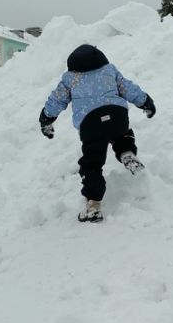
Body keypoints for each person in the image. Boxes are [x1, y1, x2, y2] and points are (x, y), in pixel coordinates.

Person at [39, 44, 156, 222]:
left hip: (90, 123)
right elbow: (128, 89)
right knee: (122, 135)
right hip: (117, 115)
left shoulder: (70, 78)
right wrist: (146, 102)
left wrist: (46, 119)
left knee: (92, 163)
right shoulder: (109, 70)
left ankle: (93, 205)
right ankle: (127, 153)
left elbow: (57, 101)